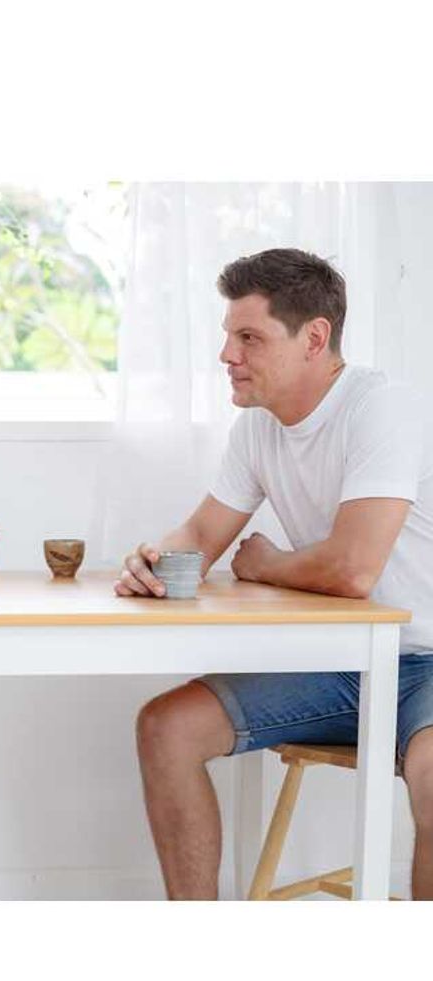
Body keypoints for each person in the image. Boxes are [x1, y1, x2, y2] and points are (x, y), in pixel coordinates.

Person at [116, 248, 433, 900]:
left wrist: (266, 565)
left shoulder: (382, 409)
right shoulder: (259, 429)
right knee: (166, 728)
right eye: (229, 336)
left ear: (315, 338)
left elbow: (352, 570)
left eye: (249, 337)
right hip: (346, 666)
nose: (227, 355)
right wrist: (156, 561)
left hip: (428, 659)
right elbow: (202, 537)